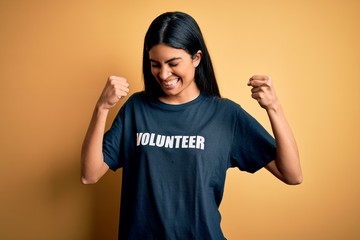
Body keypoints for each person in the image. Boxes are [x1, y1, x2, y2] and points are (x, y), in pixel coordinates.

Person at [81, 11, 302, 240]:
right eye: (155, 64)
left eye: (173, 63)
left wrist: (273, 107)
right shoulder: (136, 108)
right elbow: (89, 174)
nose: (163, 74)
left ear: (196, 58)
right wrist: (102, 108)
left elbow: (292, 174)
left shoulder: (225, 115)